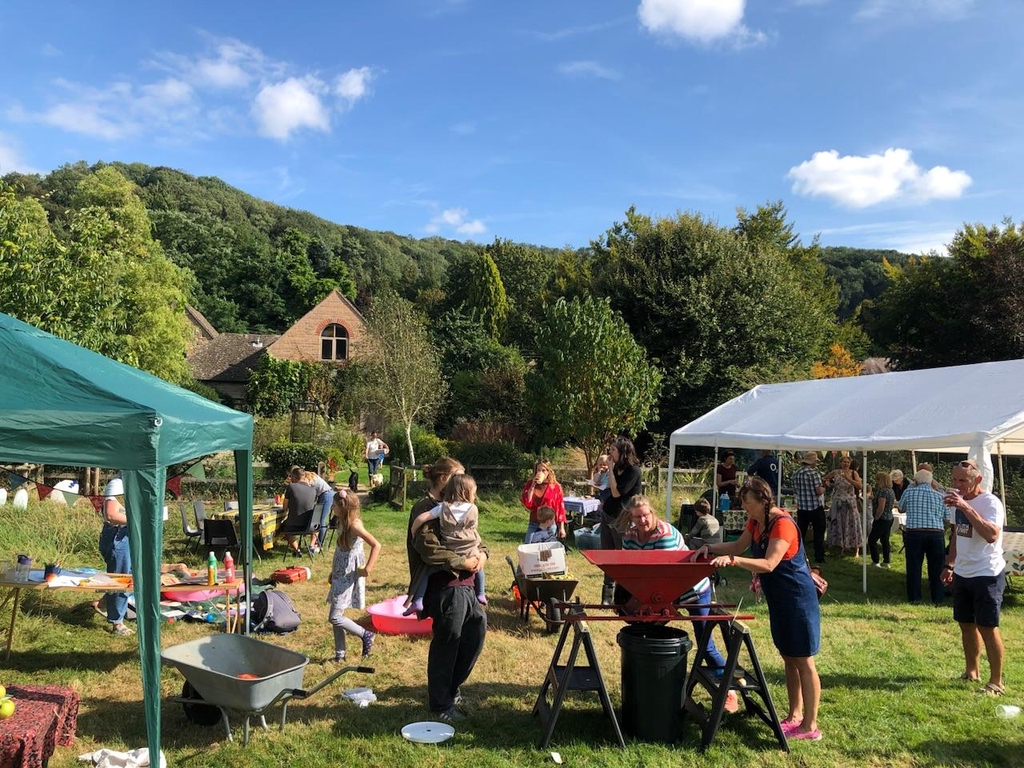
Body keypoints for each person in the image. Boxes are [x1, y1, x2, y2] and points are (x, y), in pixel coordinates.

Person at [697, 477, 823, 741]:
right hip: (779, 599)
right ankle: (794, 716)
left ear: (763, 501)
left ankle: (810, 726)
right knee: (789, 657)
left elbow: (769, 564)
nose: (744, 507)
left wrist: (734, 561)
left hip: (797, 599)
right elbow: (737, 546)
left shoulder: (782, 524)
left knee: (804, 661)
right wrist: (709, 548)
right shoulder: (756, 521)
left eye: (748, 502)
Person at [619, 495, 737, 712]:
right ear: (631, 517)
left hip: (692, 589)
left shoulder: (664, 535)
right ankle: (650, 688)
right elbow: (631, 569)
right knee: (646, 633)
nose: (642, 521)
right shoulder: (630, 536)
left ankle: (729, 689)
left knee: (705, 644)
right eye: (637, 517)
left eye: (645, 515)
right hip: (660, 591)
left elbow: (668, 576)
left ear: (652, 512)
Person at [407, 457, 487, 725]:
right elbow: (429, 549)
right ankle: (441, 703)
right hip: (444, 586)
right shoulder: (425, 508)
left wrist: (482, 555)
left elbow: (475, 537)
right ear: (443, 478)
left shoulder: (461, 506)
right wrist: (464, 562)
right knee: (448, 641)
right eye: (457, 476)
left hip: (467, 584)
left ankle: (451, 689)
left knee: (475, 633)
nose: (462, 482)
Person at [942, 459, 1007, 695]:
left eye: (963, 480)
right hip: (963, 573)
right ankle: (972, 672)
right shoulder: (957, 501)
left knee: (987, 627)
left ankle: (996, 682)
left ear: (978, 479)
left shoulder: (990, 502)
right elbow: (956, 535)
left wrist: (966, 507)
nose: (957, 485)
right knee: (966, 625)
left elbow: (991, 535)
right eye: (954, 480)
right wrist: (949, 565)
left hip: (986, 573)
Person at [406, 473, 486, 614]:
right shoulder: (473, 509)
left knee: (426, 572)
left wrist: (413, 529)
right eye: (474, 494)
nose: (474, 497)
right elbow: (474, 529)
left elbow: (423, 518)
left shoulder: (443, 507)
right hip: (470, 551)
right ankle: (481, 593)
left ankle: (418, 600)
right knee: (479, 569)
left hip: (450, 551)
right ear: (464, 493)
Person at [326, 488, 380, 661]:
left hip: (349, 574)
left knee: (335, 617)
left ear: (342, 507)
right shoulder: (342, 521)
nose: (332, 508)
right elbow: (340, 551)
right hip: (340, 572)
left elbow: (376, 545)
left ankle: (365, 634)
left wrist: (368, 568)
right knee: (337, 613)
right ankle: (340, 654)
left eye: (334, 505)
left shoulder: (355, 525)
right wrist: (333, 572)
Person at [599, 437, 643, 604]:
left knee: (620, 556)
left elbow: (617, 493)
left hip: (622, 518)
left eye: (613, 449)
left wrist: (610, 469)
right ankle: (607, 596)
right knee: (607, 554)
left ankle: (623, 596)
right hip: (608, 514)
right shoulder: (617, 467)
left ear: (623, 452)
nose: (610, 453)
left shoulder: (633, 471)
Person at [899, 468, 949, 605]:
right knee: (937, 567)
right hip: (936, 533)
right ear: (932, 482)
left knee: (914, 566)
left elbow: (901, 509)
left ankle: (914, 597)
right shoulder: (940, 496)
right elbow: (947, 517)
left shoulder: (909, 492)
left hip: (915, 532)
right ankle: (937, 598)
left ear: (915, 481)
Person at [98, 477, 133, 636]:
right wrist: (139, 521)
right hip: (118, 536)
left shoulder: (135, 483)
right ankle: (117, 623)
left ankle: (104, 603)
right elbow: (111, 515)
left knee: (132, 576)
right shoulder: (118, 484)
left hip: (128, 533)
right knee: (121, 579)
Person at [824, 455, 863, 558]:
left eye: (848, 462)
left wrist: (847, 478)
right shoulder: (835, 472)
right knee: (839, 522)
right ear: (840, 463)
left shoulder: (853, 473)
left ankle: (856, 548)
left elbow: (859, 486)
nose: (846, 464)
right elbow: (825, 478)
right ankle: (840, 546)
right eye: (844, 462)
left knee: (852, 522)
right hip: (838, 501)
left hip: (850, 501)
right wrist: (827, 483)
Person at [792, 451, 827, 565]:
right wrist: (824, 487)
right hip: (815, 506)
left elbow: (795, 490)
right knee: (819, 532)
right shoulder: (814, 474)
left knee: (800, 533)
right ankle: (819, 556)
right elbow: (818, 491)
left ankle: (797, 554)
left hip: (802, 507)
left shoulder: (796, 474)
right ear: (812, 462)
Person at [521, 459, 566, 543]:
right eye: (538, 470)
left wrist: (561, 528)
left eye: (543, 470)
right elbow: (527, 503)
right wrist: (533, 485)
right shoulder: (530, 483)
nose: (540, 472)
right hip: (535, 521)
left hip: (549, 523)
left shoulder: (555, 486)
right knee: (529, 545)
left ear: (548, 471)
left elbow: (560, 508)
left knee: (547, 549)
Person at [282, 465, 317, 556]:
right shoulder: (313, 490)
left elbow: (284, 507)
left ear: (294, 477)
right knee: (317, 527)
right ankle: (311, 546)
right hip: (310, 525)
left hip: (293, 525)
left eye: (291, 477)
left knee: (283, 526)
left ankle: (297, 550)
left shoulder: (291, 487)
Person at [868, 471, 895, 568]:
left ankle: (875, 561)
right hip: (889, 517)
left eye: (877, 480)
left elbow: (881, 507)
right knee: (885, 540)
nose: (876, 482)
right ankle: (886, 561)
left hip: (882, 518)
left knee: (872, 540)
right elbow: (891, 504)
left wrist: (876, 517)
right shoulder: (891, 491)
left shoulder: (882, 491)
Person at [306, 469, 333, 555]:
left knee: (321, 520)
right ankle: (318, 543)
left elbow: (310, 494)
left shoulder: (310, 481)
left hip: (326, 496)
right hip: (326, 495)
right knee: (319, 519)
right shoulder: (313, 477)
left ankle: (319, 544)